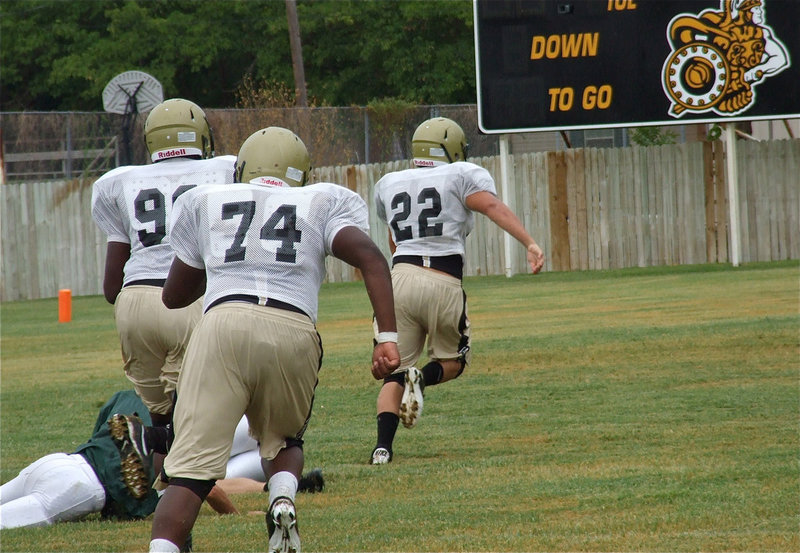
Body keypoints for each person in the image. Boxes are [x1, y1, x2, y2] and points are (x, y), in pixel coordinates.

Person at [148, 126, 400, 553]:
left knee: (189, 472)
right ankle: (282, 496)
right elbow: (372, 258)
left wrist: (222, 264)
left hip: (223, 326)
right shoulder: (320, 201)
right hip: (293, 327)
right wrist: (386, 338)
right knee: (284, 440)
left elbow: (173, 296)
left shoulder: (206, 200)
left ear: (243, 167)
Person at [369, 117, 545, 465]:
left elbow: (393, 238)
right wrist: (529, 242)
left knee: (393, 372)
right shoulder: (461, 173)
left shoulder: (389, 182)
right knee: (454, 361)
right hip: (443, 277)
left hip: (399, 279)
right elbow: (491, 206)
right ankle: (419, 378)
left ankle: (382, 449)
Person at [90, 98, 236, 478]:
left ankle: (158, 485)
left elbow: (111, 287)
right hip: (186, 301)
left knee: (163, 415)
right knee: (190, 418)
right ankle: (154, 450)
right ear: (200, 136)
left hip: (133, 303)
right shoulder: (226, 171)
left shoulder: (121, 182)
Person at [0, 390, 325, 531]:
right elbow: (208, 488)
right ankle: (279, 480)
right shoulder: (169, 430)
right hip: (81, 487)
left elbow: (101, 432)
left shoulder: (126, 398)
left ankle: (273, 481)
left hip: (59, 463)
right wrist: (237, 516)